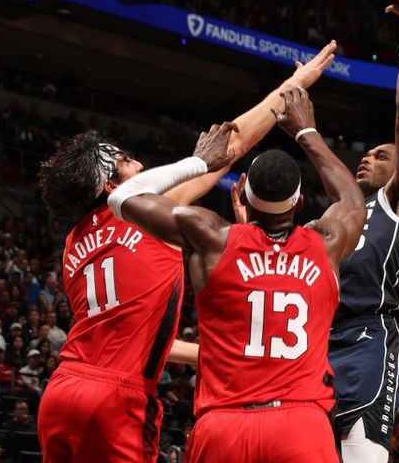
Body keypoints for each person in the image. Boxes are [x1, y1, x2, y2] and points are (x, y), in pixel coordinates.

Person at [36, 43, 338, 462]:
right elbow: (234, 143)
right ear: (109, 186)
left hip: (64, 388)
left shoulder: (74, 245)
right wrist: (293, 87)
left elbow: (129, 335)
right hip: (117, 397)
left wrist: (216, 352)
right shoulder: (142, 215)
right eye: (125, 161)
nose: (138, 163)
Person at [109, 86, 365, 462]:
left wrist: (198, 164)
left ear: (243, 197)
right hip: (300, 426)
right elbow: (352, 201)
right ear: (298, 200)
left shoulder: (210, 237)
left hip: (225, 426)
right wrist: (306, 132)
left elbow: (121, 197)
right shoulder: (326, 242)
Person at [328, 0, 399, 462]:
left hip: (369, 339)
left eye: (382, 153)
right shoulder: (336, 214)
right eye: (365, 153)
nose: (368, 157)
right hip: (316, 338)